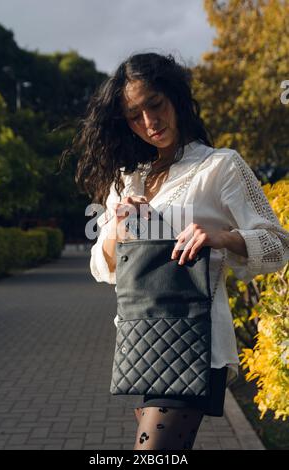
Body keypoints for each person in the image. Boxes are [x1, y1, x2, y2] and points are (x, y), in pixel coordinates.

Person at [64, 52, 289, 450]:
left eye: (155, 105)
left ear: (175, 98)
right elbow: (102, 267)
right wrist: (117, 228)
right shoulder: (127, 179)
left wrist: (221, 236)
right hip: (140, 341)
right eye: (135, 115)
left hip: (196, 342)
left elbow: (278, 246)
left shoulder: (220, 166)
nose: (149, 122)